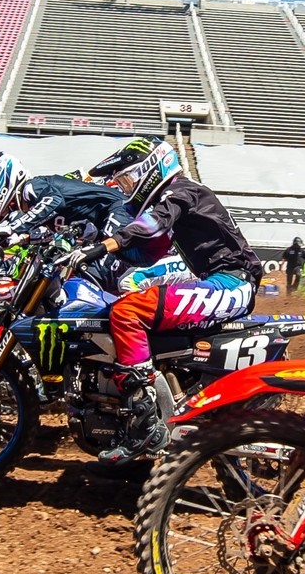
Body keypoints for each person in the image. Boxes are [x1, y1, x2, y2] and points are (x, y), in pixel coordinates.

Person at [83, 136, 262, 467]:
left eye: (127, 179)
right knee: (126, 303)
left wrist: (105, 245)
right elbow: (144, 252)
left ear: (148, 169)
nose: (124, 189)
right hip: (222, 282)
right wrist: (89, 249)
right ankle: (158, 405)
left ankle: (145, 424)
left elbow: (151, 225)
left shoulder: (182, 192)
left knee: (127, 312)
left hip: (233, 283)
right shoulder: (176, 199)